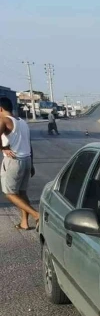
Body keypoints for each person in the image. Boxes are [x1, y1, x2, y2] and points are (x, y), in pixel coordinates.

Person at [0, 96, 38, 230]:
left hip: (14, 162)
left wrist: (3, 148)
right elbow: (29, 144)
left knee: (10, 193)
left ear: (0, 109)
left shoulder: (3, 120)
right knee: (22, 193)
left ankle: (36, 214)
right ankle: (24, 223)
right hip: (27, 160)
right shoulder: (22, 122)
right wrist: (32, 164)